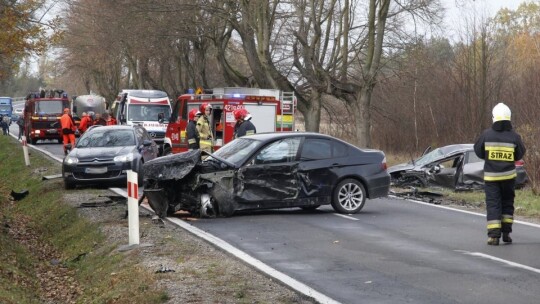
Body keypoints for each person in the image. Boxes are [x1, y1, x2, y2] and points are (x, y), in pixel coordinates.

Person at [474, 102, 526, 246]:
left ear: (494, 117)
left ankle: (493, 236)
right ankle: (506, 234)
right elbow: (520, 153)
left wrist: (489, 157)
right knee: (507, 204)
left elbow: (478, 151)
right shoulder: (514, 136)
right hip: (509, 177)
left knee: (493, 205)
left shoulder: (486, 134)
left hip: (491, 177)